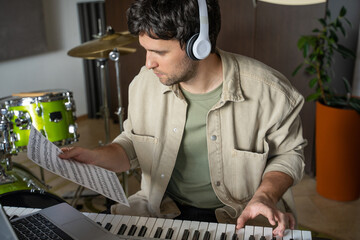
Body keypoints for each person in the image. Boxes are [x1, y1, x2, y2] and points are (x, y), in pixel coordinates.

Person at [59, 0, 307, 237]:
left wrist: (265, 195)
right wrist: (95, 157)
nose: (148, 63)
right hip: (161, 207)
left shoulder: (272, 93)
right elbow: (133, 144)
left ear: (199, 45)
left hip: (241, 214)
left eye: (159, 52)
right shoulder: (143, 84)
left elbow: (288, 155)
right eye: (146, 50)